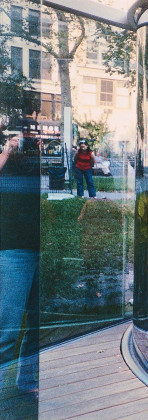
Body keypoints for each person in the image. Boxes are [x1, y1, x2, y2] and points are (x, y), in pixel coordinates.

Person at [0, 131, 40, 404]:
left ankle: (26, 379)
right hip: (13, 250)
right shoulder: (5, 166)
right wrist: (5, 153)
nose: (22, 146)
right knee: (7, 327)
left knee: (37, 324)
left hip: (38, 248)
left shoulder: (34, 166)